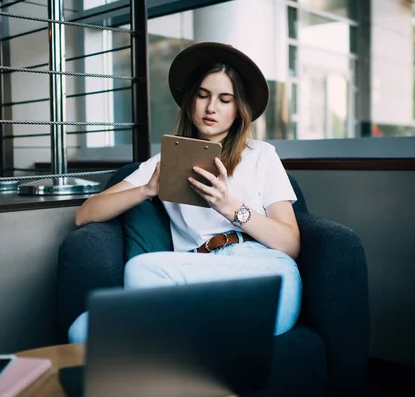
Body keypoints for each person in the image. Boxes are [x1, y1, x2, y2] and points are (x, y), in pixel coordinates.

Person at [69, 42, 302, 342]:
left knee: (141, 270)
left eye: (224, 99)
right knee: (80, 331)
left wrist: (229, 205)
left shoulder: (261, 155)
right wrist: (146, 190)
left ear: (238, 109)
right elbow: (84, 214)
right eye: (203, 96)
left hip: (265, 274)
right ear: (191, 101)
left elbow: (290, 244)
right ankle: (182, 348)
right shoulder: (164, 162)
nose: (210, 107)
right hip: (196, 274)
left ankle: (165, 342)